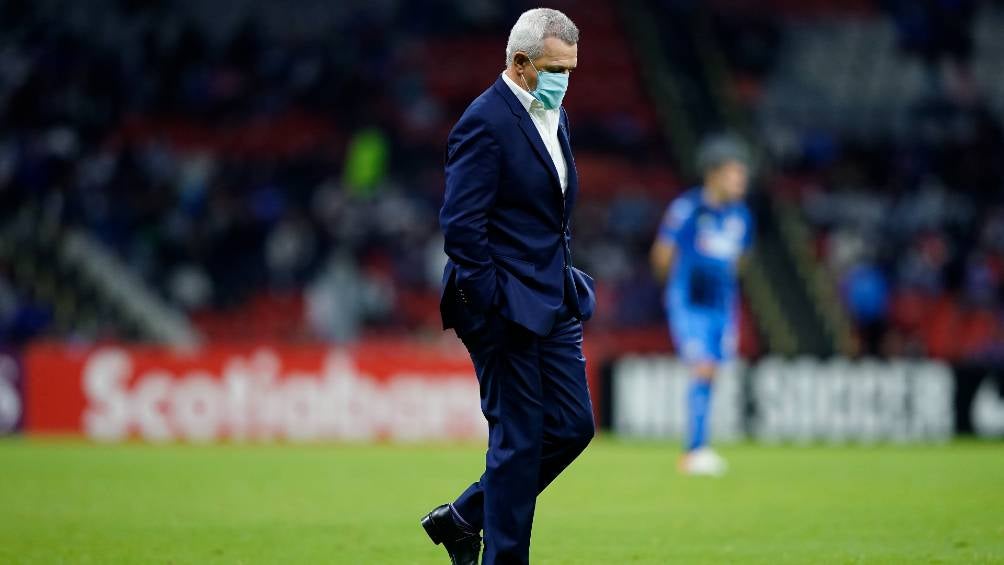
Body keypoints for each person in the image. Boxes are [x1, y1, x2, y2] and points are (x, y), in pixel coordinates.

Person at [420, 8, 596, 565]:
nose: (564, 81)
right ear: (520, 63)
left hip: (552, 296)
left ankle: (463, 517)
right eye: (555, 69)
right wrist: (490, 301)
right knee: (518, 441)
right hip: (504, 305)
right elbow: (461, 226)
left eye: (570, 70)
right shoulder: (484, 122)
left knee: (572, 427)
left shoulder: (554, 116)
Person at [650, 135, 753, 477]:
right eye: (735, 174)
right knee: (704, 366)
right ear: (714, 174)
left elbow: (741, 260)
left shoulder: (741, 216)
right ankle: (694, 451)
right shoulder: (688, 208)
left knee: (713, 371)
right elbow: (662, 255)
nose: (741, 181)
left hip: (722, 305)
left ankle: (699, 447)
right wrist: (678, 290)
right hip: (690, 303)